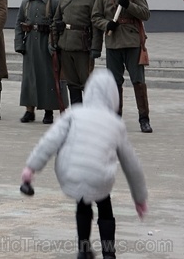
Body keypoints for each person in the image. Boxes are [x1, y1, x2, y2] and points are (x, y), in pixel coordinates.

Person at [21, 69, 148, 259]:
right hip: (99, 177)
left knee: (83, 202)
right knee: (104, 207)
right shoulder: (116, 124)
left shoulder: (74, 114)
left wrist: (30, 168)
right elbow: (131, 164)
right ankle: (108, 253)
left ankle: (83, 248)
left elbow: (49, 141)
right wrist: (139, 198)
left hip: (71, 172)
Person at [91, 0, 153, 133]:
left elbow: (146, 14)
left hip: (132, 42)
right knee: (114, 83)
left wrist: (128, 5)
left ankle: (144, 119)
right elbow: (95, 17)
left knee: (138, 81)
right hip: (113, 43)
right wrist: (106, 25)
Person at [15, 0, 63, 124]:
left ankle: (48, 111)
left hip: (46, 43)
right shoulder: (26, 3)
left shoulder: (53, 2)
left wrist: (55, 45)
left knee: (47, 77)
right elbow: (19, 24)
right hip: (30, 43)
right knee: (29, 78)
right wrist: (19, 44)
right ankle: (30, 110)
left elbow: (58, 24)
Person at [51, 0, 101, 106]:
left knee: (87, 82)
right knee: (71, 83)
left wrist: (96, 48)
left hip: (83, 47)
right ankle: (76, 113)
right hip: (65, 45)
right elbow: (55, 21)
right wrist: (54, 42)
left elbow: (96, 25)